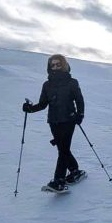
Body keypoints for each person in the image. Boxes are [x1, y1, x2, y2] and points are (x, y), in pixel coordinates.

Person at [23, 54, 85, 192]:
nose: (55, 67)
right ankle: (74, 170)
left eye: (58, 64)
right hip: (53, 121)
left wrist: (80, 114)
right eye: (53, 65)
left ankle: (59, 180)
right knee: (63, 149)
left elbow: (79, 100)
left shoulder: (72, 82)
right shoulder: (47, 85)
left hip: (69, 120)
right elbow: (43, 104)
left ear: (63, 65)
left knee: (63, 150)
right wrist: (30, 109)